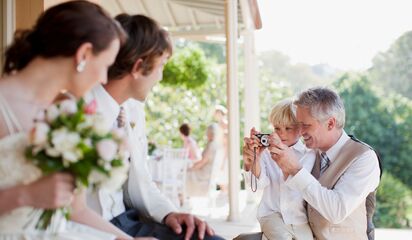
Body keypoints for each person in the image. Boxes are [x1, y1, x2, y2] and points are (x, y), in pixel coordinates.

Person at [0, 1, 155, 240]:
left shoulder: (69, 113)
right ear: (83, 54)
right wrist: (25, 195)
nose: (104, 77)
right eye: (105, 65)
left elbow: (77, 210)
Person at [86, 13, 223, 240]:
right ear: (139, 67)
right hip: (93, 231)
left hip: (129, 221)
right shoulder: (75, 111)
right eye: (161, 66)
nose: (160, 77)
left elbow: (142, 182)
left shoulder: (133, 110)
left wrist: (170, 213)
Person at [268, 87, 380, 240]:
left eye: (306, 125)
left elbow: (336, 211)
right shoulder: (310, 153)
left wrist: (295, 169)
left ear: (330, 123)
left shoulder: (364, 158)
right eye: (298, 125)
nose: (300, 132)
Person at [242, 99, 314, 240]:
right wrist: (256, 158)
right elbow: (258, 184)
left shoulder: (309, 155)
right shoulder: (267, 153)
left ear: (300, 129)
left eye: (288, 128)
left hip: (299, 217)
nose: (281, 134)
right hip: (271, 214)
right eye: (277, 128)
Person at [187, 124, 224, 196]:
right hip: (209, 171)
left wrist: (192, 168)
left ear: (211, 133)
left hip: (205, 173)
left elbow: (203, 161)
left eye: (207, 132)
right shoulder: (216, 144)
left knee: (186, 174)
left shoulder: (212, 145)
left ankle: (185, 197)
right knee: (187, 171)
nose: (206, 134)